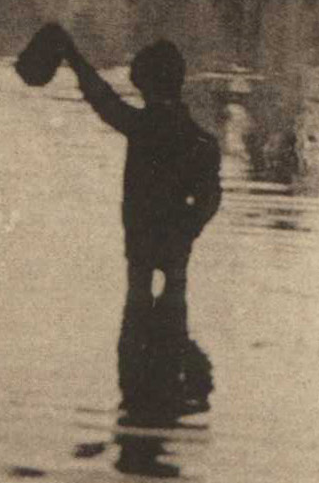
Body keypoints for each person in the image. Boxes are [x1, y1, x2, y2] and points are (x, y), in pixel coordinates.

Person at [60, 35, 221, 304]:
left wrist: (74, 59)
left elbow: (102, 98)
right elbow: (211, 198)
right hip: (176, 247)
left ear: (146, 86)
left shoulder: (141, 127)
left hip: (141, 245)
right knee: (173, 320)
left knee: (136, 320)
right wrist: (188, 229)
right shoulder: (202, 141)